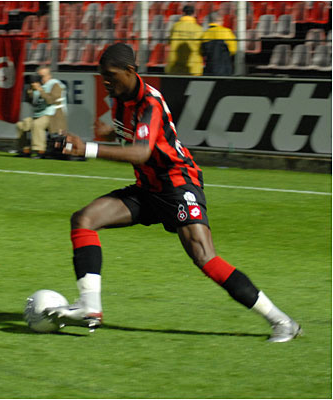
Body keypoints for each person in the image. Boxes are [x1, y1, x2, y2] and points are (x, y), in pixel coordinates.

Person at [46, 43, 301, 343]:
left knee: (205, 258)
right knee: (84, 219)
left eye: (110, 75)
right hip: (149, 189)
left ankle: (282, 321)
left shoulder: (150, 102)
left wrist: (87, 148)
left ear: (130, 71)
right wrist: (101, 135)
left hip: (179, 185)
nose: (106, 81)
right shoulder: (119, 100)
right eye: (102, 76)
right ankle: (90, 308)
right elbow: (128, 135)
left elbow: (141, 152)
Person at [15, 65, 67, 159]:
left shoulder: (55, 85)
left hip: (53, 116)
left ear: (49, 76)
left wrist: (40, 90)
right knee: (21, 125)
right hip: (39, 114)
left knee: (37, 124)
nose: (39, 79)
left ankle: (40, 150)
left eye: (42, 76)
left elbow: (51, 100)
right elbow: (31, 102)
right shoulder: (39, 86)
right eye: (38, 76)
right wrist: (31, 91)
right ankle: (25, 150)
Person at [165, 5, 204, 76]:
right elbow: (202, 48)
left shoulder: (175, 27)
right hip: (193, 67)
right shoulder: (198, 29)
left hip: (174, 66)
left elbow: (169, 42)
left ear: (182, 13)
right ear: (194, 14)